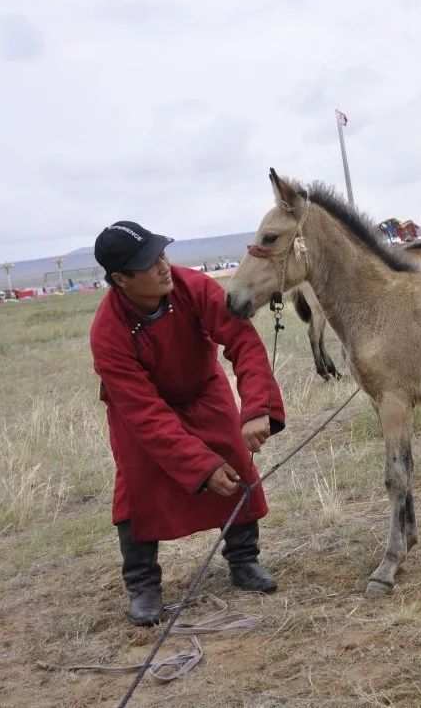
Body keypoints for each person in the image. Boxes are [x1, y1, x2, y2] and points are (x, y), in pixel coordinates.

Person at [90, 221, 286, 626]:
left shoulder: (192, 286)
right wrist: (201, 467)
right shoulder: (107, 332)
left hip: (202, 389)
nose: (163, 266)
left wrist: (255, 408)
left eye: (162, 254)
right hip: (141, 412)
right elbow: (145, 413)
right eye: (148, 263)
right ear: (120, 280)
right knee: (137, 484)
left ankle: (244, 560)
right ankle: (143, 585)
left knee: (234, 457)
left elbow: (242, 340)